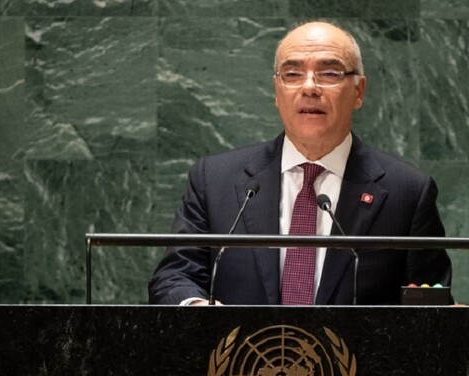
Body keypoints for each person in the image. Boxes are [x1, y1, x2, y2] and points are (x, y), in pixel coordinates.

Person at [149, 21, 451, 305]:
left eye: (329, 73)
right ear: (276, 91)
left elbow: (430, 303)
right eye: (292, 74)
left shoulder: (407, 192)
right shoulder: (215, 180)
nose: (309, 87)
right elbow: (175, 275)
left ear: (358, 92)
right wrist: (199, 310)